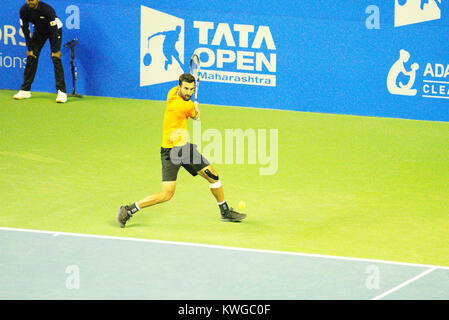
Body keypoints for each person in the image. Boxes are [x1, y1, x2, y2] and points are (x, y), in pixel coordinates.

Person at [117, 73, 246, 227]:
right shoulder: (186, 106)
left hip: (184, 148)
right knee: (167, 194)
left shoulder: (171, 93)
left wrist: (193, 107)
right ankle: (129, 209)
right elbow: (196, 117)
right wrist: (196, 110)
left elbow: (190, 108)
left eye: (191, 89)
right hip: (171, 152)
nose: (189, 92)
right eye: (186, 88)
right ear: (180, 87)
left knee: (213, 176)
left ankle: (224, 211)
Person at [13, 0, 67, 103]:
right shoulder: (24, 10)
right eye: (28, 0)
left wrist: (55, 49)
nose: (30, 2)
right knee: (31, 56)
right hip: (39, 31)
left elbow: (53, 29)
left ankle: (62, 92)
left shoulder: (47, 9)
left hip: (54, 30)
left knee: (55, 57)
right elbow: (25, 29)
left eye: (32, 0)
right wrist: (30, 48)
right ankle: (25, 90)